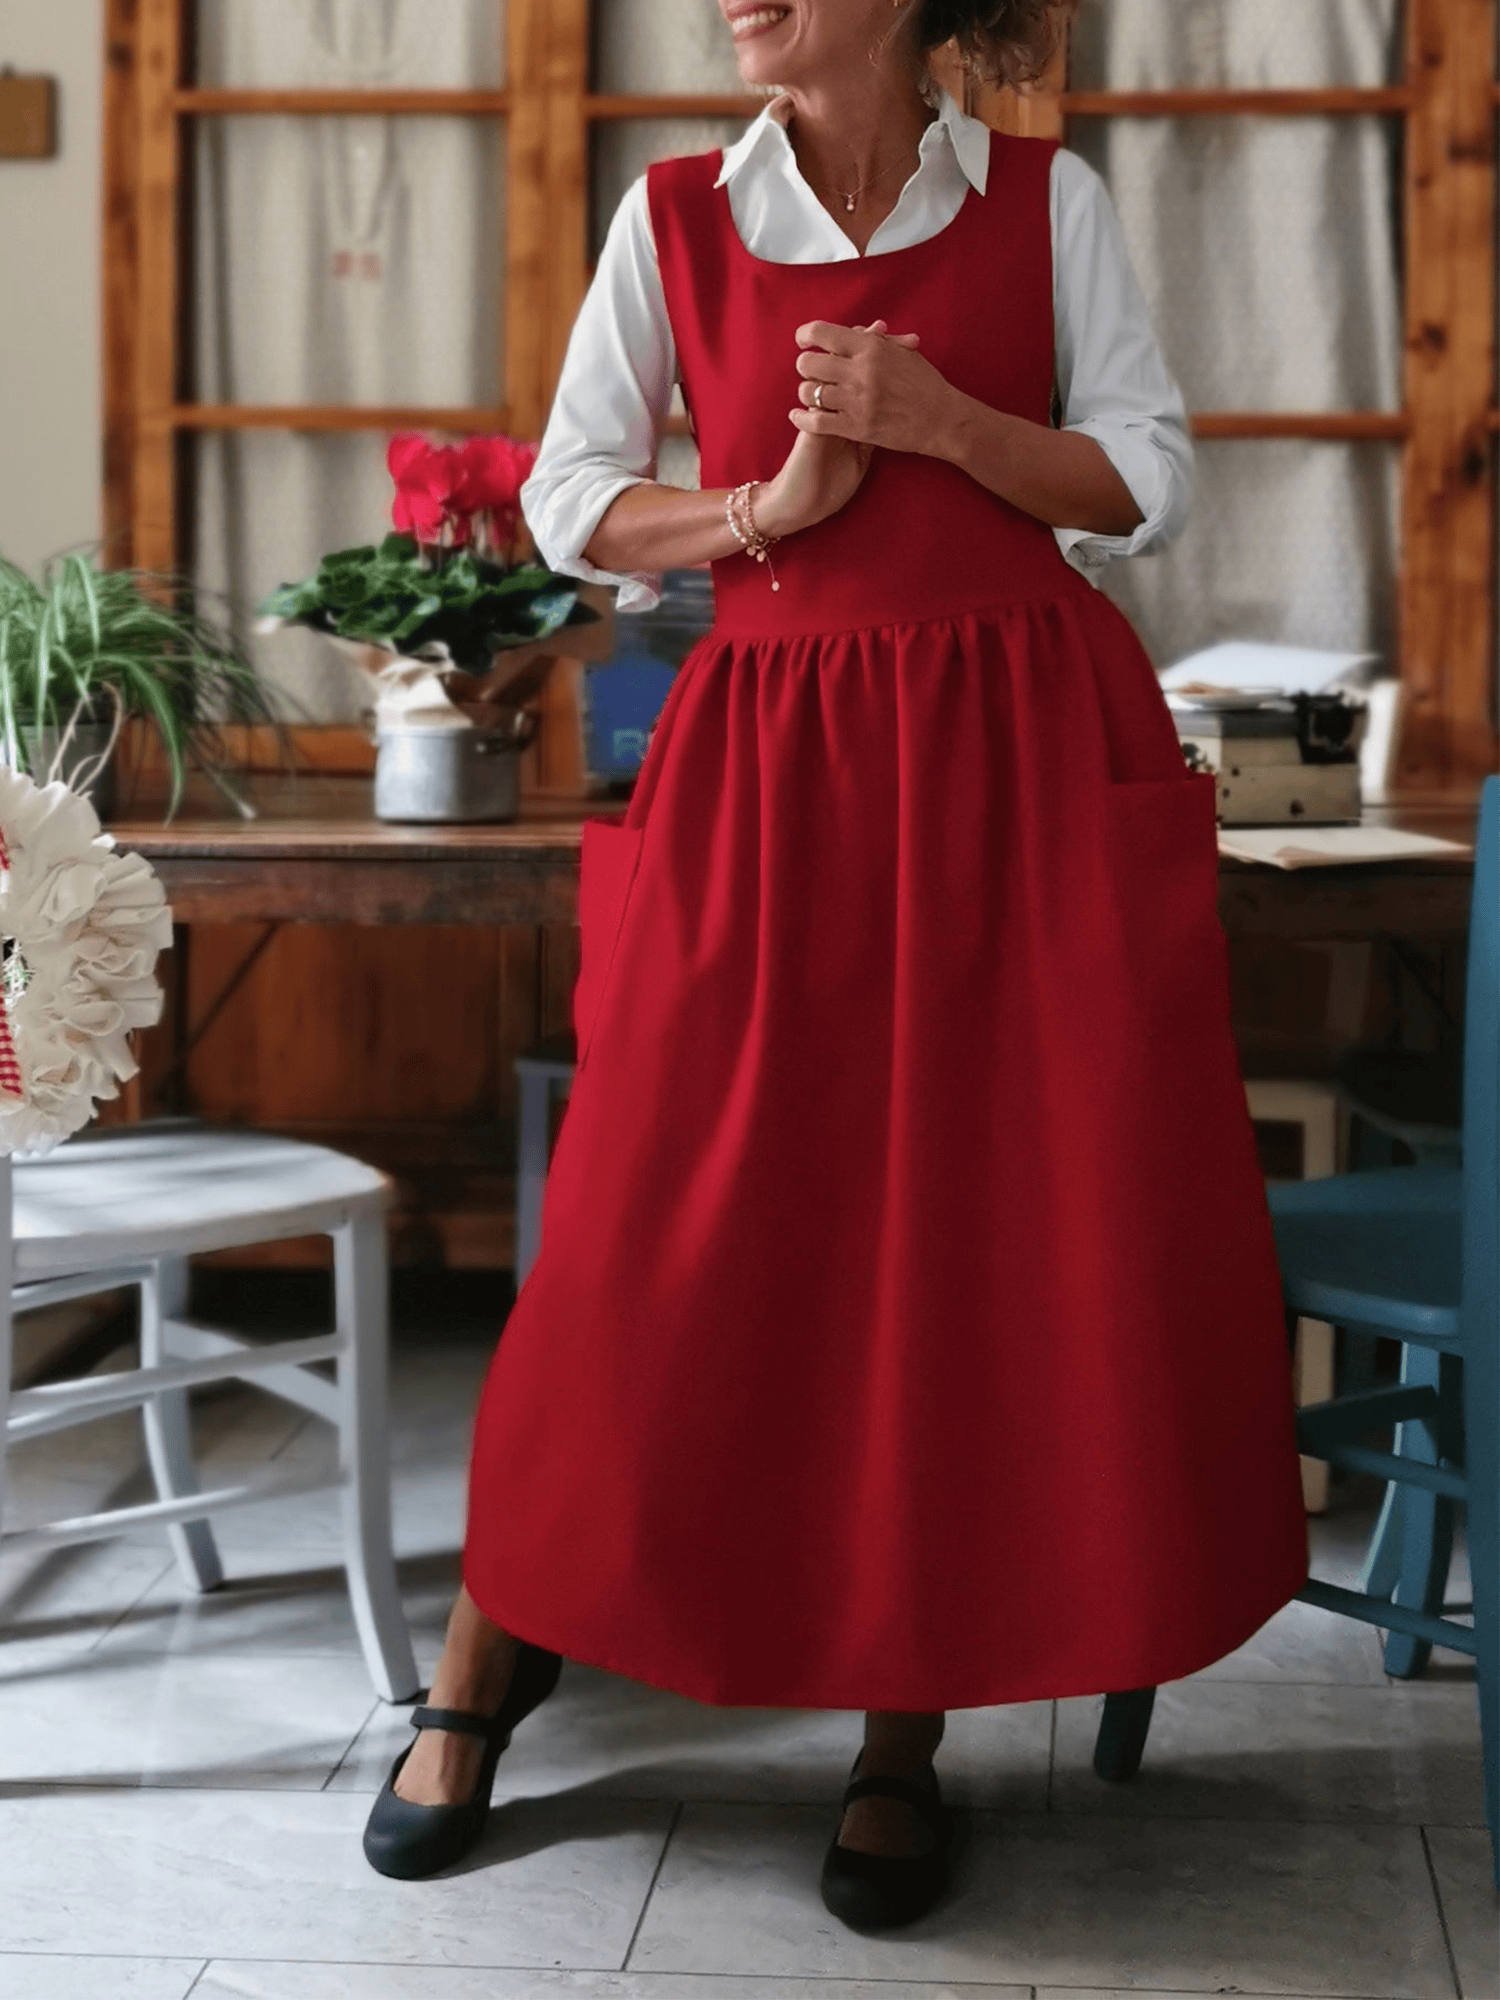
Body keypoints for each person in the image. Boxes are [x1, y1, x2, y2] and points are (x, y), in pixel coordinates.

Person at [363, 0, 1310, 1930]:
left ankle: (904, 1731)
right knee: (650, 1219)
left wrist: (945, 426)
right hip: (770, 763)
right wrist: (764, 511)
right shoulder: (677, 216)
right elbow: (568, 496)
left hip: (1020, 765)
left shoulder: (1048, 203)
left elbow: (1150, 481)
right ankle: (486, 1665)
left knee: (961, 1236)